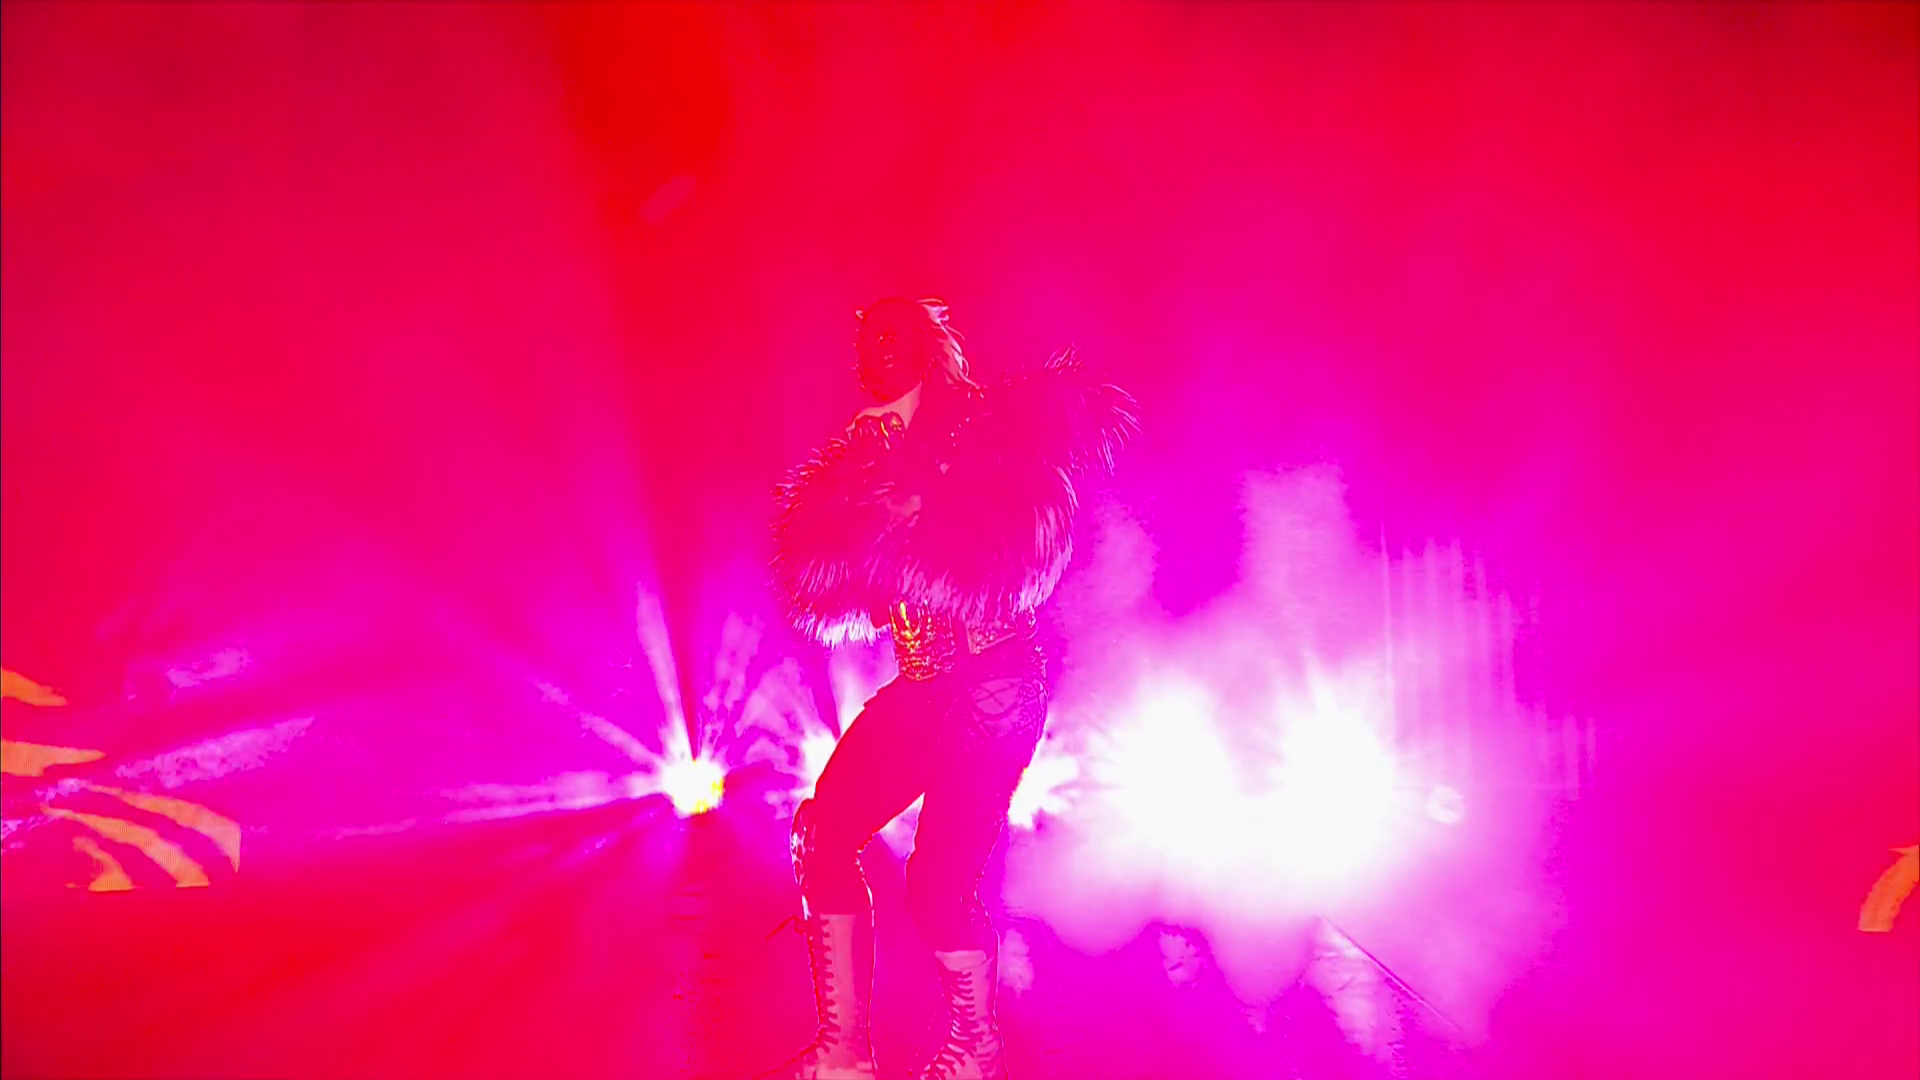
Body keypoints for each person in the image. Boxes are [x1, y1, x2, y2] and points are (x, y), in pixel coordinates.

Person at [767, 298, 1138, 1080]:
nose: (879, 347)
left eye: (896, 333)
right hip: (923, 689)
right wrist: (856, 496)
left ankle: (977, 1047)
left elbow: (1016, 557)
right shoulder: (869, 450)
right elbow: (829, 585)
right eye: (868, 336)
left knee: (936, 886)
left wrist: (913, 497)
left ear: (931, 347)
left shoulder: (990, 431)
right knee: (824, 833)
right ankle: (844, 1052)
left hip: (993, 685)